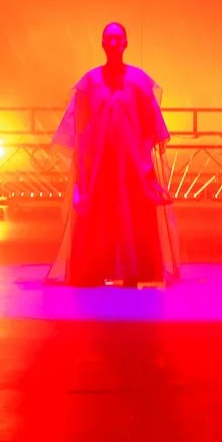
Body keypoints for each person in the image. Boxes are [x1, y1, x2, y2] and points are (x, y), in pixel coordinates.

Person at [48, 21, 181, 286]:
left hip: (132, 163)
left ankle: (135, 271)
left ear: (125, 43)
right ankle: (95, 270)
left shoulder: (138, 81)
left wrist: (146, 160)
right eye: (108, 38)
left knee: (132, 215)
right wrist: (85, 162)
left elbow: (151, 123)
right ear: (102, 43)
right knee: (100, 214)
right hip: (100, 163)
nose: (113, 43)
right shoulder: (90, 81)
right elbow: (80, 123)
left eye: (117, 38)